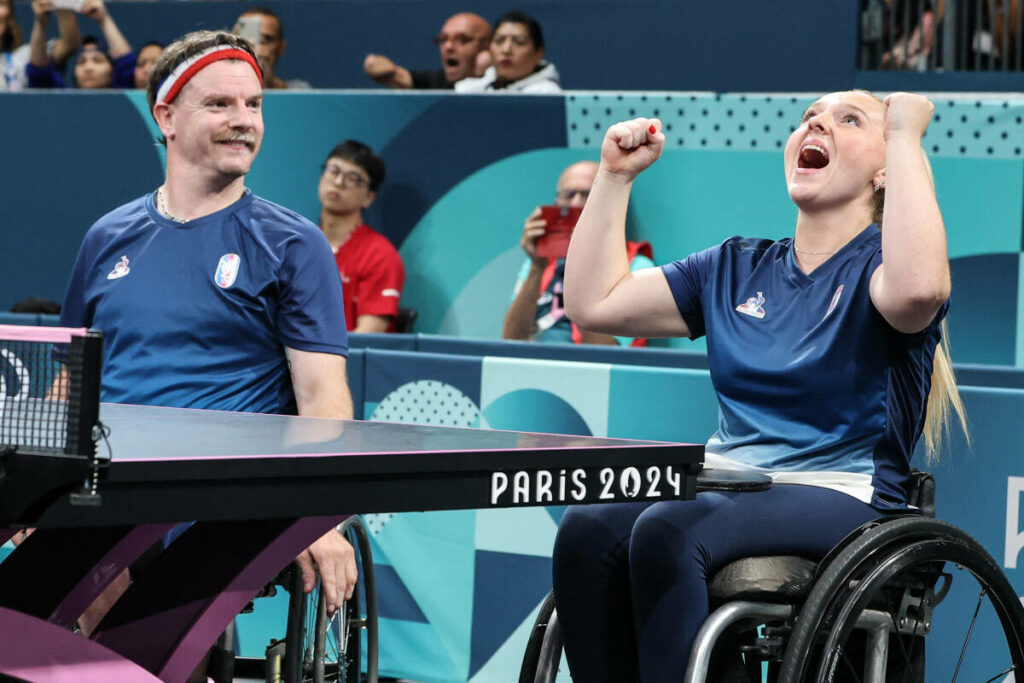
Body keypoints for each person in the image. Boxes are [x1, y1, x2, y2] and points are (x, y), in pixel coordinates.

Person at [550, 91, 967, 681]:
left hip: (845, 492)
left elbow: (920, 292)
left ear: (883, 172)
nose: (817, 122)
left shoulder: (884, 270)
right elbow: (592, 303)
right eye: (809, 118)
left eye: (851, 119)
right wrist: (615, 179)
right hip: (732, 481)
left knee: (669, 529)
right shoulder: (733, 267)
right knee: (588, 526)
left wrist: (906, 136)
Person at [54, 29, 356, 642]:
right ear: (166, 116)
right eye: (221, 104)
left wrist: (318, 516)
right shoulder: (106, 237)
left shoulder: (293, 244)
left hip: (215, 501)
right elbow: (71, 379)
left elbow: (323, 397)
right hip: (103, 491)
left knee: (126, 609)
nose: (244, 120)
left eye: (254, 104)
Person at [503, 160, 653, 345]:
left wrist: (585, 259)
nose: (576, 203)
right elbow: (511, 341)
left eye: (588, 194)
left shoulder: (637, 268)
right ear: (557, 203)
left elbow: (604, 355)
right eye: (569, 195)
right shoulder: (540, 262)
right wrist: (536, 266)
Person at [318, 140, 405, 333]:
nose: (339, 182)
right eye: (334, 170)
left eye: (353, 178)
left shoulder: (380, 255)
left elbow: (367, 335)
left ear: (369, 197)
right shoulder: (299, 244)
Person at [363, 11, 491, 89]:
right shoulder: (434, 82)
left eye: (461, 39)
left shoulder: (506, 85)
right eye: (443, 39)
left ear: (487, 47)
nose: (448, 47)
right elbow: (373, 64)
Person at [27, 0, 133, 89]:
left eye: (98, 60)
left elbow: (126, 63)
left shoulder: (125, 96)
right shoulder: (63, 98)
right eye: (81, 62)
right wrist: (40, 23)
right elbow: (39, 73)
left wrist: (104, 19)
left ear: (112, 69)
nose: (88, 68)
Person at [454, 11, 560, 93]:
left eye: (519, 42)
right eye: (499, 40)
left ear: (538, 53)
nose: (506, 50)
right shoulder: (466, 91)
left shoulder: (548, 94)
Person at [2, 0, 79, 91]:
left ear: (9, 17)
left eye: (1, 4)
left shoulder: (23, 56)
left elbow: (69, 44)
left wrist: (59, 4)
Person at [232, 7, 307, 89]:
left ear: (281, 48)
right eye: (245, 38)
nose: (256, 47)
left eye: (266, 40)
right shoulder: (218, 91)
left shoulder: (300, 92)